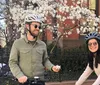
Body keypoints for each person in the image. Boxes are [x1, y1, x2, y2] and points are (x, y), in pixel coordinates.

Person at [9, 14, 61, 85]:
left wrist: (52, 67)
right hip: (25, 82)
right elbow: (12, 62)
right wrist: (19, 76)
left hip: (40, 82)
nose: (37, 28)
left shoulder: (42, 44)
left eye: (39, 26)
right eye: (35, 26)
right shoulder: (18, 43)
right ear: (27, 26)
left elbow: (45, 60)